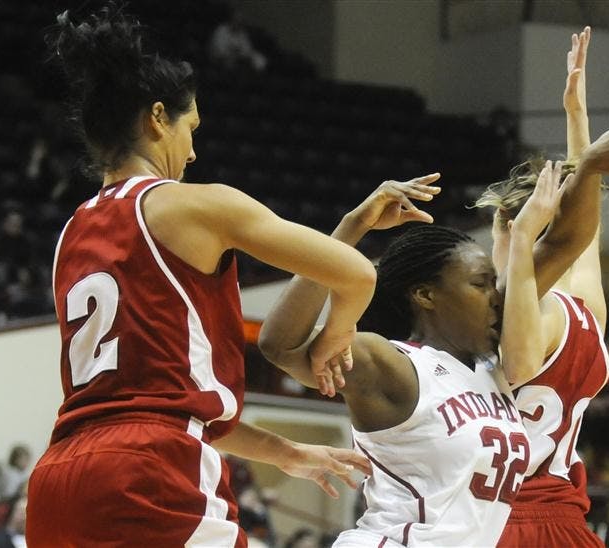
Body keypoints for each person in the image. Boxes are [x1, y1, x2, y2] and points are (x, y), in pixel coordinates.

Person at [27, 6, 372, 546]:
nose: (193, 150)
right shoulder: (194, 206)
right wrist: (335, 338)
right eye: (191, 128)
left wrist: (287, 454)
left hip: (59, 479)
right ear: (157, 117)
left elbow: (156, 401)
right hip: (149, 472)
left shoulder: (72, 233)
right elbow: (357, 274)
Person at [259, 161, 569, 546]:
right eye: (480, 284)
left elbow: (565, 246)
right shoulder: (392, 365)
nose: (497, 298)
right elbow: (279, 344)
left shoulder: (496, 368)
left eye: (495, 283)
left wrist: (578, 174)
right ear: (425, 295)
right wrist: (354, 225)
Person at [475, 27, 609, 547]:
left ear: (509, 230)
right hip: (568, 524)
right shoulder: (586, 307)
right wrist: (577, 120)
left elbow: (572, 230)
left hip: (497, 522)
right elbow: (584, 231)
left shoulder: (493, 315)